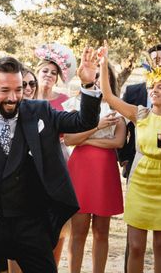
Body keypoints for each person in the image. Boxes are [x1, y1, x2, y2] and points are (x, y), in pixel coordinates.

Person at [0, 53, 101, 272]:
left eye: (18, 89)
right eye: (5, 91)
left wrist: (88, 83)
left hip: (31, 223)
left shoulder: (41, 111)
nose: (13, 97)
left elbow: (84, 121)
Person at [99, 43, 161, 273]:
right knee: (137, 247)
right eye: (151, 87)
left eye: (160, 87)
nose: (154, 90)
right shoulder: (139, 113)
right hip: (140, 183)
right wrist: (103, 64)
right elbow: (109, 96)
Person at [64, 63, 125, 273]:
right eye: (96, 75)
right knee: (78, 231)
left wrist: (86, 140)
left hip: (105, 171)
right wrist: (97, 127)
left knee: (102, 232)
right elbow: (70, 139)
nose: (99, 79)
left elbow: (118, 142)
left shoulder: (118, 107)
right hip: (80, 170)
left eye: (104, 76)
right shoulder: (75, 103)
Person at [33, 42, 77, 266]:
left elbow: (72, 127)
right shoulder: (26, 99)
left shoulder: (64, 101)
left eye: (53, 72)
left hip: (57, 158)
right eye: (44, 71)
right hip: (30, 160)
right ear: (36, 72)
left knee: (56, 218)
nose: (49, 75)